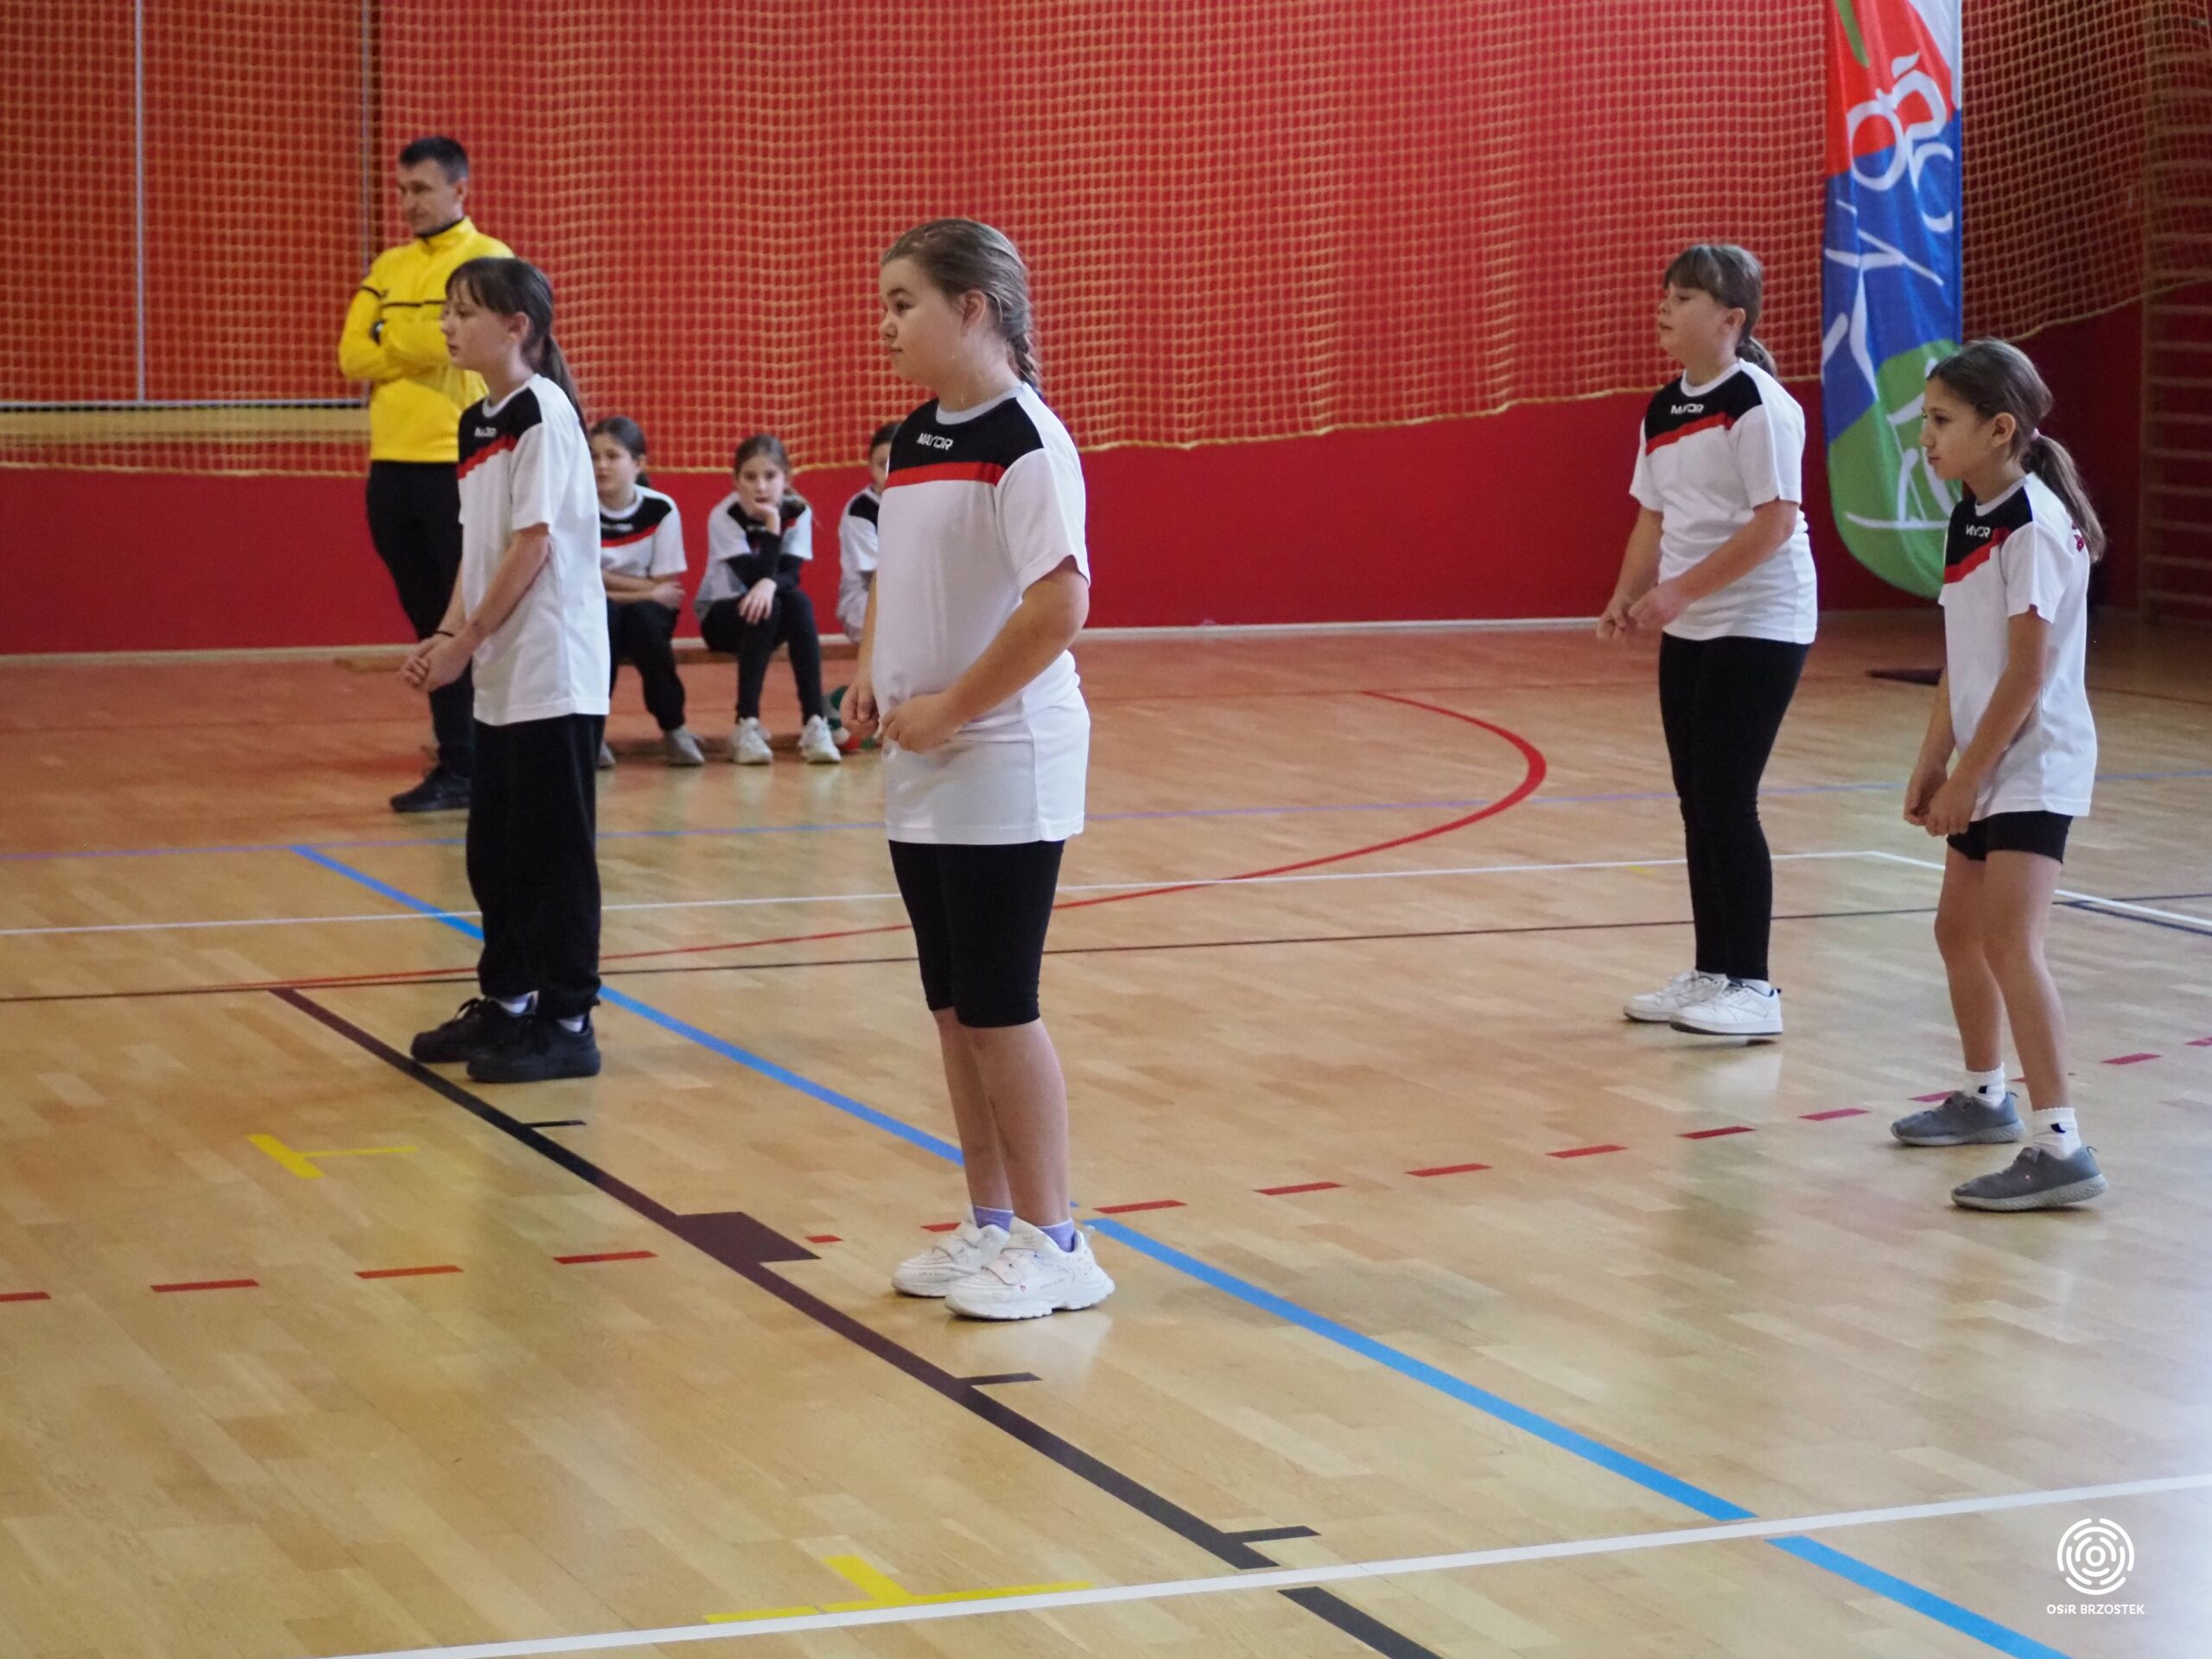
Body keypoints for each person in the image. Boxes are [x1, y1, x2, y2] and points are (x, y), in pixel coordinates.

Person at [845, 219, 1111, 1320]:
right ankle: (990, 1222)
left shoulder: (1026, 441)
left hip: (1004, 756)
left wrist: (953, 706)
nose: (885, 324)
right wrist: (871, 673)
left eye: (903, 302)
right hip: (925, 759)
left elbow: (1060, 604)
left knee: (1001, 1005)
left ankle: (1059, 1243)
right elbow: (899, 575)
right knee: (953, 1007)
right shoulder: (915, 437)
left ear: (973, 308)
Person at [1890, 340, 2108, 1211]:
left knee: (2012, 942)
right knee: (1958, 931)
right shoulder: (1971, 516)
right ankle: (1985, 1097)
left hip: (2034, 760)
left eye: (1942, 421)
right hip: (1988, 758)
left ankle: (2062, 1145)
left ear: (2000, 429)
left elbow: (2025, 674)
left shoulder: (2035, 526)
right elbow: (1965, 656)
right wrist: (1931, 759)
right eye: (1926, 420)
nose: (1926, 438)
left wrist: (1968, 779)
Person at [1599, 245, 1818, 1041]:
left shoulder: (1759, 404)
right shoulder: (1664, 407)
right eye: (1665, 292)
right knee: (1697, 800)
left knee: (1728, 797)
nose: (1665, 306)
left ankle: (1755, 987)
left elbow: (1776, 522)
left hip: (1760, 621)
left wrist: (1681, 590)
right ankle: (1713, 971)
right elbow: (1653, 515)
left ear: (1731, 319)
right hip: (1692, 625)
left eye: (1685, 296)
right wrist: (1628, 592)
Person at [403, 258, 608, 1084]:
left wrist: (469, 639)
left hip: (553, 668)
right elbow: (478, 546)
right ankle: (509, 1002)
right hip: (502, 675)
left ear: (516, 325)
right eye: (447, 311)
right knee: (498, 853)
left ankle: (568, 1021)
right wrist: (445, 635)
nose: (449, 325)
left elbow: (534, 546)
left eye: (464, 312)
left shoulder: (543, 414)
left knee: (557, 856)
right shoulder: (477, 422)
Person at [338, 136, 512, 813]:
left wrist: (394, 339)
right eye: (402, 190)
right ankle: (457, 758)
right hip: (392, 464)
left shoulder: (488, 258)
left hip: (457, 462)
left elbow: (464, 349)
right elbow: (352, 354)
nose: (407, 203)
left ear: (459, 190)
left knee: (467, 614)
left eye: (421, 189)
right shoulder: (389, 265)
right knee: (425, 616)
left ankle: (488, 758)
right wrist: (426, 340)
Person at [695, 435, 842, 764]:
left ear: (786, 478)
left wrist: (768, 583)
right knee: (769, 606)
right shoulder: (725, 515)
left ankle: (815, 722)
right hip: (720, 617)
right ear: (736, 481)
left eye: (770, 476)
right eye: (750, 477)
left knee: (797, 603)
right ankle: (746, 724)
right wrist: (773, 526)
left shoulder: (798, 511)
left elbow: (791, 575)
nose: (760, 486)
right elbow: (752, 577)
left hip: (767, 614)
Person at [591, 416, 703, 767]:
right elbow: (583, 579)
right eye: (594, 456)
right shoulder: (577, 506)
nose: (601, 465)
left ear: (638, 464)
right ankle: (592, 734)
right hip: (596, 606)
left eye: (612, 456)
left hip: (645, 611)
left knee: (645, 624)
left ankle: (674, 728)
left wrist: (606, 580)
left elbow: (667, 585)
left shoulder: (661, 509)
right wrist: (645, 590)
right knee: (603, 619)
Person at [838, 422, 899, 642]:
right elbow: (876, 574)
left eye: (898, 463)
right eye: (882, 464)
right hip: (866, 600)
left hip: (911, 594)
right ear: (871, 467)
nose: (890, 472)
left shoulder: (924, 503)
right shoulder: (861, 511)